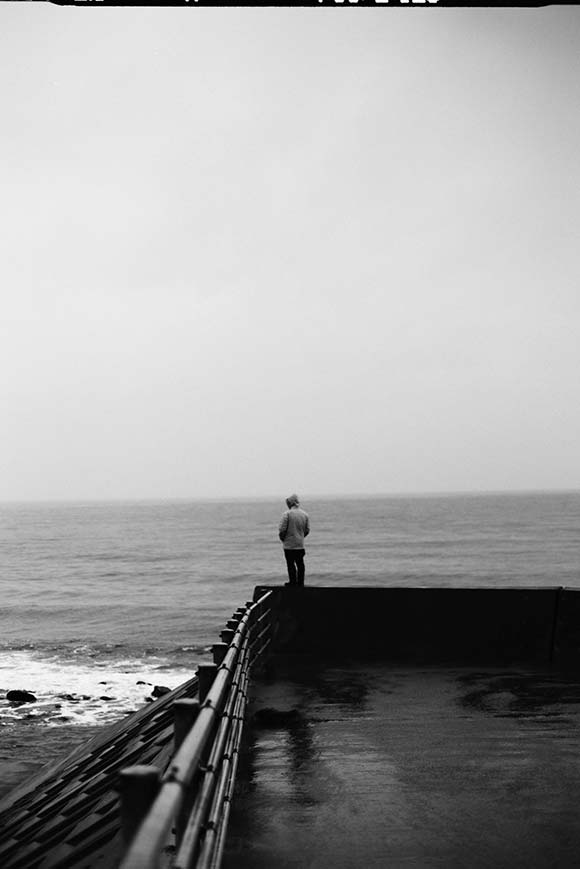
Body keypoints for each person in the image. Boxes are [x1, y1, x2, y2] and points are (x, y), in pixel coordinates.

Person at [278, 494, 310, 586]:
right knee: (300, 564)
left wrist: (283, 539)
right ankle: (300, 583)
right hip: (300, 544)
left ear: (290, 503)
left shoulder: (287, 514)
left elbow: (282, 530)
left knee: (291, 565)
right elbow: (307, 530)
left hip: (289, 545)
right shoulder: (305, 514)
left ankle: (292, 582)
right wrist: (300, 537)